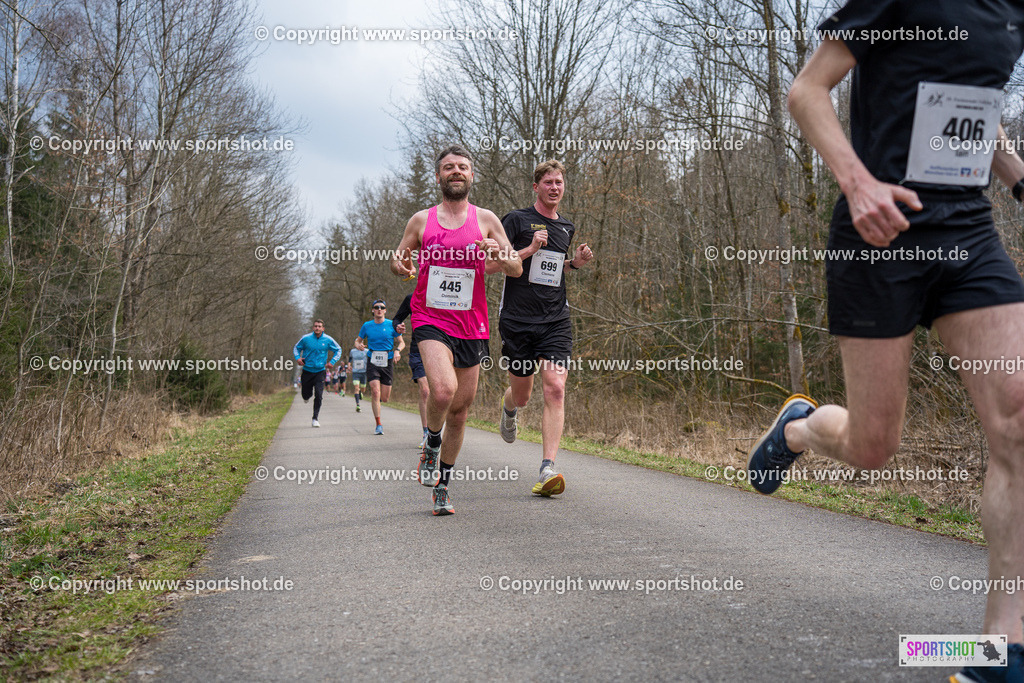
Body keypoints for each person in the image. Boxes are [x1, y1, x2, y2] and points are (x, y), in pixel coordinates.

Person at [749, 4, 1024, 681]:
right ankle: (799, 428)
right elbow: (807, 91)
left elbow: (975, 106)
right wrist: (857, 182)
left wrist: (1018, 177)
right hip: (879, 232)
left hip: (968, 231)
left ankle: (1002, 650)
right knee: (873, 446)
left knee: (1018, 419)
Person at [391, 144, 522, 515]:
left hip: (471, 322)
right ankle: (431, 443)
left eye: (463, 166)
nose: (456, 171)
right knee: (443, 390)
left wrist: (499, 254)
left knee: (461, 411)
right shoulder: (421, 220)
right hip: (430, 318)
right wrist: (399, 265)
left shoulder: (486, 219)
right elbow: (399, 259)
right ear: (438, 177)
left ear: (472, 175)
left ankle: (442, 487)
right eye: (449, 167)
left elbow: (516, 268)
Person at [496, 159, 593, 496]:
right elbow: (494, 264)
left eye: (559, 182)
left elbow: (552, 267)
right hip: (518, 320)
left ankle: (547, 468)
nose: (554, 187)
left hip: (555, 319)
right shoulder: (515, 220)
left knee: (555, 388)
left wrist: (574, 264)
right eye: (548, 182)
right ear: (536, 187)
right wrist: (529, 248)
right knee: (523, 395)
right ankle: (509, 407)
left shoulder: (566, 226)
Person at [354, 299, 405, 435]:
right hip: (372, 360)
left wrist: (397, 351)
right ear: (372, 310)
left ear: (385, 310)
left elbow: (401, 342)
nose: (379, 309)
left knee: (385, 398)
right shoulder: (367, 325)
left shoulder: (391, 325)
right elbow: (357, 341)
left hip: (387, 361)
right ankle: (378, 424)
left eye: (382, 307)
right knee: (375, 391)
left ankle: (378, 404)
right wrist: (359, 345)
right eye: (376, 307)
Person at [393, 293, 430, 448]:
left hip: (442, 350)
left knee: (442, 392)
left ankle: (437, 429)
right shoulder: (412, 298)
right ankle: (427, 433)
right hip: (417, 350)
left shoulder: (444, 295)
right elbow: (397, 319)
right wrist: (398, 326)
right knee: (425, 391)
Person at [292, 319, 342, 428]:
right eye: (315, 326)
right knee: (306, 394)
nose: (317, 328)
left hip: (320, 371)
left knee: (319, 395)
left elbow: (338, 350)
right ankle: (306, 396)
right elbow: (296, 348)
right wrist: (298, 358)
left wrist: (332, 361)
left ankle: (315, 418)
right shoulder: (306, 338)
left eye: (319, 326)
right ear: (313, 327)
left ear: (323, 328)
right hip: (307, 371)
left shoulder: (328, 340)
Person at [349, 345, 368, 412]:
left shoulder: (367, 351)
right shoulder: (352, 351)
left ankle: (360, 391)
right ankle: (358, 405)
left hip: (364, 372)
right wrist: (349, 364)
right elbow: (350, 358)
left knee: (363, 389)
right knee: (356, 388)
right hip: (355, 372)